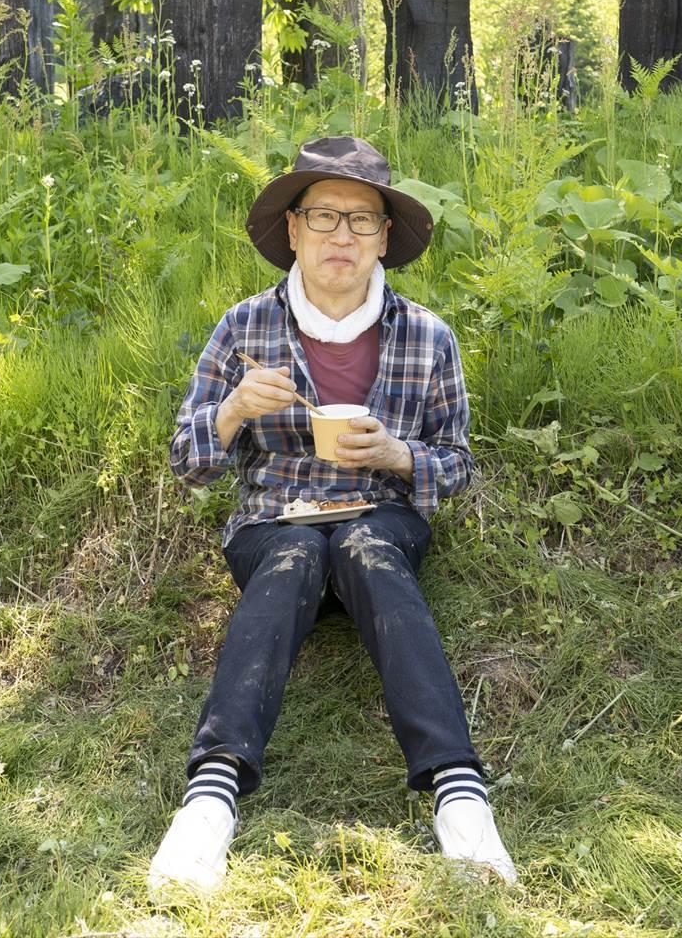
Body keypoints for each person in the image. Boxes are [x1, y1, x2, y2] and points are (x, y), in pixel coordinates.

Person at [150, 135, 515, 891]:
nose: (341, 236)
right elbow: (188, 461)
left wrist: (396, 456)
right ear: (292, 230)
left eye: (360, 220)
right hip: (274, 520)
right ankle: (209, 803)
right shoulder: (245, 329)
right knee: (292, 559)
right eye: (323, 217)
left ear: (386, 237)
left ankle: (461, 799)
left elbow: (459, 463)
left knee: (366, 551)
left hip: (382, 516)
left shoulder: (426, 335)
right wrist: (230, 412)